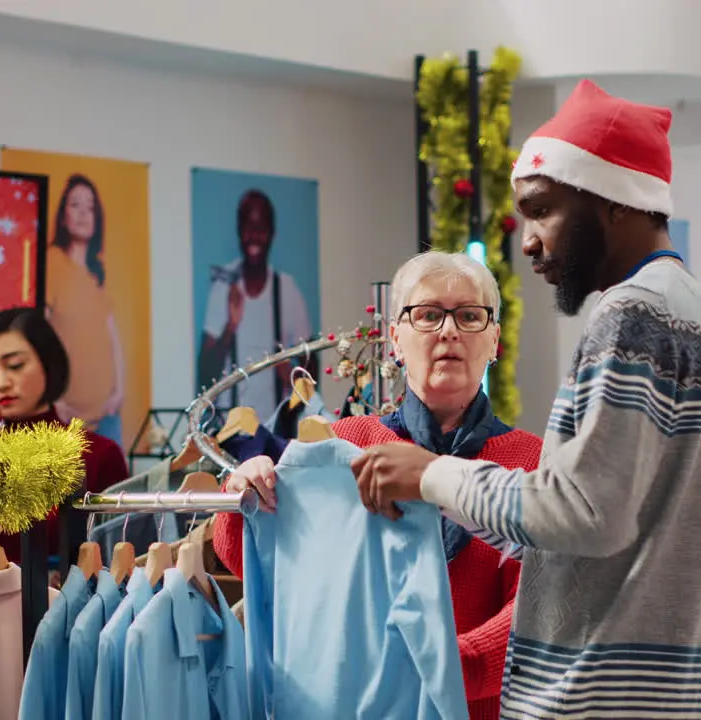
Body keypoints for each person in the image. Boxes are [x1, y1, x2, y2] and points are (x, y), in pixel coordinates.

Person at [348, 80, 701, 718]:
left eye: (541, 210)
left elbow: (584, 514)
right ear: (396, 335)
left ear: (613, 200)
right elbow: (604, 534)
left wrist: (432, 475)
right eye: (427, 316)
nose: (529, 240)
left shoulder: (632, 314)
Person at [211, 251, 543, 720]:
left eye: (469, 316)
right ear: (395, 340)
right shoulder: (346, 444)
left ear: (494, 341)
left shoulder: (532, 465)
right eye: (427, 315)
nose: (449, 331)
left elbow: (540, 604)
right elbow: (260, 558)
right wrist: (244, 493)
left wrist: (443, 667)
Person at [0, 307, 129, 572]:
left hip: (72, 609)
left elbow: (117, 558)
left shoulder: (97, 456)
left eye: (15, 366)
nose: (1, 383)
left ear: (48, 363)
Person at [197, 189, 315, 420]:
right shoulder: (223, 288)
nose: (254, 236)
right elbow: (204, 373)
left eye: (261, 229)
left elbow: (311, 367)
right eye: (248, 228)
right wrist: (230, 327)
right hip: (230, 433)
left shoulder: (286, 289)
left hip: (277, 432)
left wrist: (290, 378)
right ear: (239, 232)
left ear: (272, 233)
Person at [46, 174, 126, 447]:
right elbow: (39, 336)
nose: (82, 214)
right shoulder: (52, 263)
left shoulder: (97, 272)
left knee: (114, 490)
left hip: (107, 417)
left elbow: (112, 336)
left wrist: (119, 391)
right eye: (75, 205)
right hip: (65, 418)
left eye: (90, 207)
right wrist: (52, 399)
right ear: (63, 215)